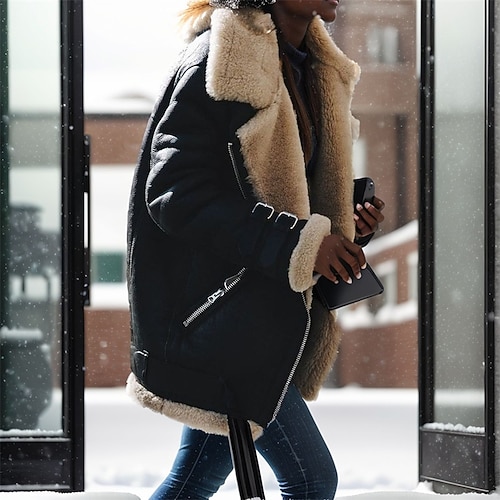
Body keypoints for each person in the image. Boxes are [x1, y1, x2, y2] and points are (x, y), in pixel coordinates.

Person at [126, 0, 385, 498]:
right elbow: (175, 194)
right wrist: (299, 243)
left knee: (194, 478)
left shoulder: (309, 69)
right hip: (223, 318)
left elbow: (277, 192)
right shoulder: (219, 62)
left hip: (257, 318)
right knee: (311, 480)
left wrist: (344, 222)